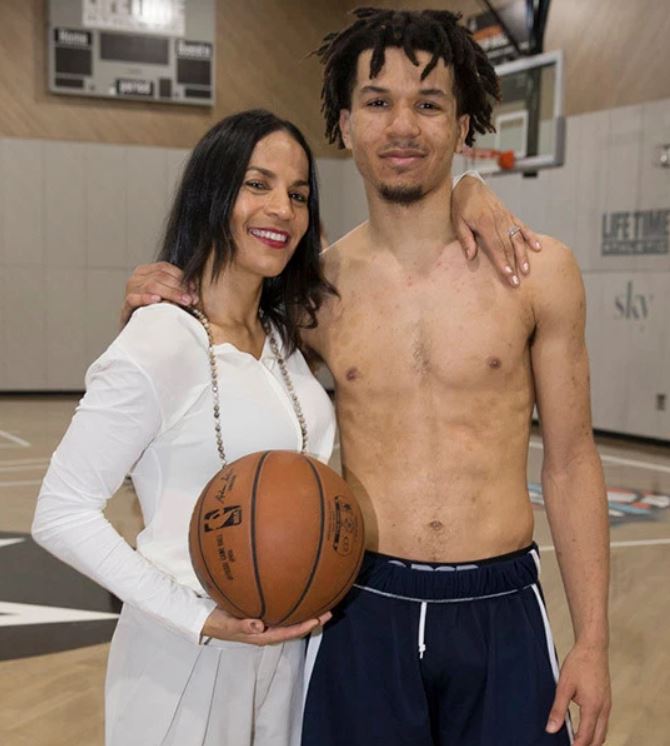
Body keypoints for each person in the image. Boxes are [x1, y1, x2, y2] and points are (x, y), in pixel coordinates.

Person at [123, 9, 611, 746]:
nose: (402, 125)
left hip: (502, 604)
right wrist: (146, 303)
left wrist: (594, 641)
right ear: (345, 125)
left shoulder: (539, 272)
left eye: (429, 102)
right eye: (378, 102)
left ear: (463, 122)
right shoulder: (312, 292)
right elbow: (204, 380)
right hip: (363, 605)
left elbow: (573, 461)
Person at [32, 109, 339, 746]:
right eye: (258, 184)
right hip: (183, 665)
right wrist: (195, 617)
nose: (282, 207)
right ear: (212, 193)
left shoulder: (285, 340)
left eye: (299, 193)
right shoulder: (160, 338)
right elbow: (60, 511)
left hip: (285, 659)